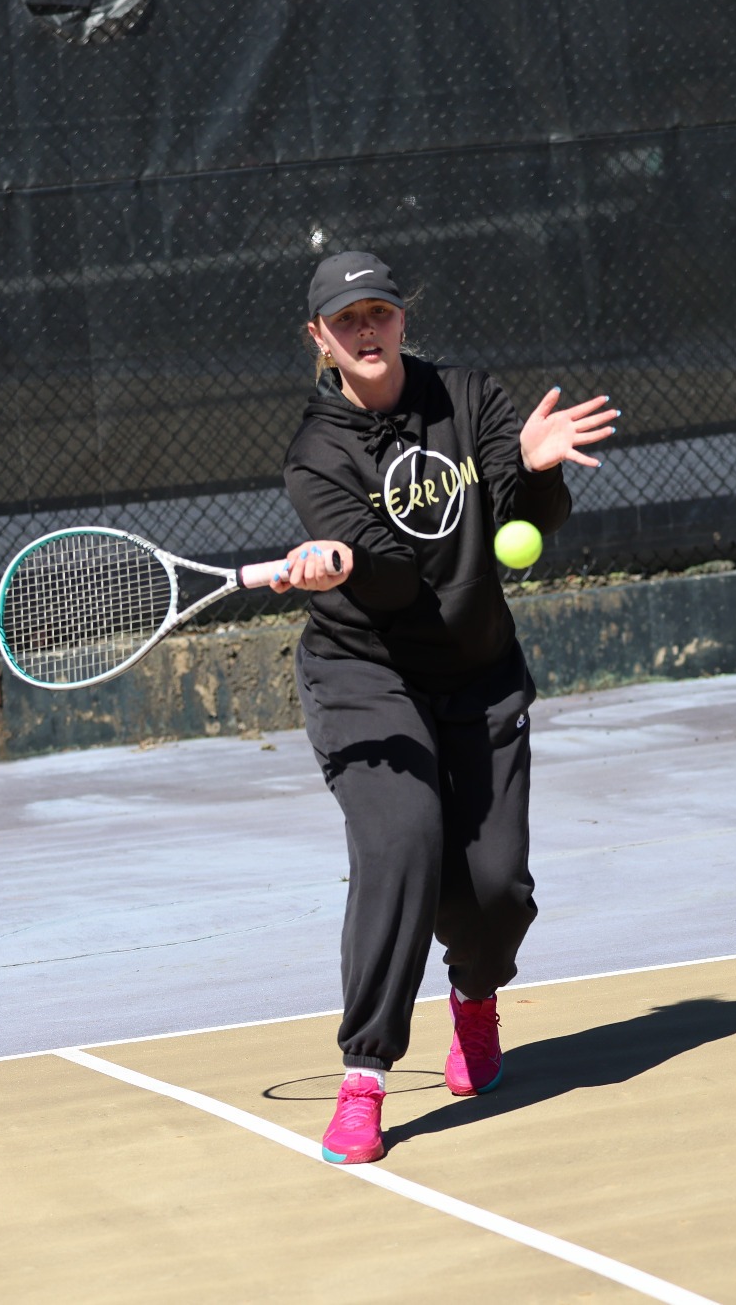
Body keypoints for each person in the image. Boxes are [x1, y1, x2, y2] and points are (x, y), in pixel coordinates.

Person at [269, 251, 615, 1164]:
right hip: (364, 677)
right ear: (321, 341)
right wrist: (345, 561)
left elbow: (525, 523)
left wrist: (537, 474)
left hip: (477, 669)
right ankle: (365, 1074)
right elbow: (385, 583)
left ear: (401, 319)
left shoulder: (466, 396)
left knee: (496, 887)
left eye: (380, 312)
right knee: (403, 840)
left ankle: (476, 995)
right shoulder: (320, 452)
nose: (368, 331)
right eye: (348, 322)